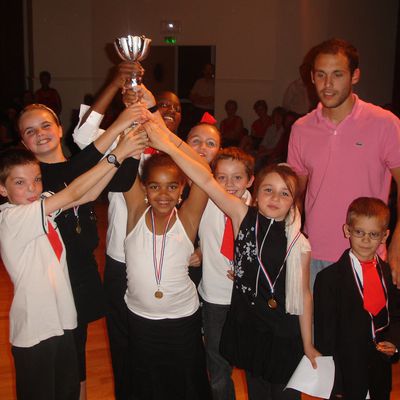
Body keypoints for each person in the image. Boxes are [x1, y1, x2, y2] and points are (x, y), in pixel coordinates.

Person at [143, 119, 320, 400]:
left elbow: (306, 295)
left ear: (294, 200)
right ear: (258, 193)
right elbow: (202, 178)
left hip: (285, 330)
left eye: (284, 193)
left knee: (286, 392)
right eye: (268, 190)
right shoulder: (243, 215)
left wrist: (309, 344)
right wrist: (166, 142)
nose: (274, 198)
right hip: (251, 322)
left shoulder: (300, 243)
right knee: (254, 388)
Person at [0, 129, 147, 400]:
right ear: (2, 188)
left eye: (36, 180)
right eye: (19, 183)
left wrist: (124, 155)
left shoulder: (40, 204)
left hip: (63, 320)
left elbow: (87, 194)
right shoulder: (13, 218)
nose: (32, 188)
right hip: (36, 332)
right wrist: (115, 155)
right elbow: (72, 192)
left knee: (66, 392)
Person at [73, 66, 180, 399]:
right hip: (122, 260)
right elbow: (81, 136)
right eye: (161, 105)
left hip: (173, 264)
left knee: (165, 347)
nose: (169, 111)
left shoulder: (184, 152)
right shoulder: (123, 144)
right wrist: (117, 84)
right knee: (122, 344)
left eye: (176, 108)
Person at [287, 38, 400, 288]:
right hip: (313, 254)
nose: (327, 85)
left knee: (363, 328)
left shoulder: (385, 124)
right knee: (314, 328)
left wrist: (396, 244)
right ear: (312, 77)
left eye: (337, 74)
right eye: (321, 75)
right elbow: (296, 193)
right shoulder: (301, 129)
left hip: (366, 254)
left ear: (355, 76)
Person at [122, 139, 212, 398]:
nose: (163, 194)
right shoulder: (137, 212)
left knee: (185, 382)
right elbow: (126, 165)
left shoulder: (187, 218)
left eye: (172, 186)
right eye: (155, 186)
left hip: (182, 320)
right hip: (141, 319)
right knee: (148, 382)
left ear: (183, 188)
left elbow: (204, 173)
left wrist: (169, 144)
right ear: (144, 189)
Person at [314, 197, 400, 399]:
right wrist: (336, 383)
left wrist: (394, 343)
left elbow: (396, 314)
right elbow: (326, 336)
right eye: (359, 232)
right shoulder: (329, 279)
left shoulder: (389, 273)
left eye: (374, 234)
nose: (366, 240)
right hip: (346, 376)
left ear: (385, 236)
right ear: (347, 231)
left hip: (380, 374)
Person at [198, 147, 254, 400]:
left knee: (254, 364)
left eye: (237, 177)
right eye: (221, 177)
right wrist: (197, 249)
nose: (229, 184)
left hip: (251, 302)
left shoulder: (264, 207)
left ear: (250, 179)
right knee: (218, 368)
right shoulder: (204, 201)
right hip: (215, 300)